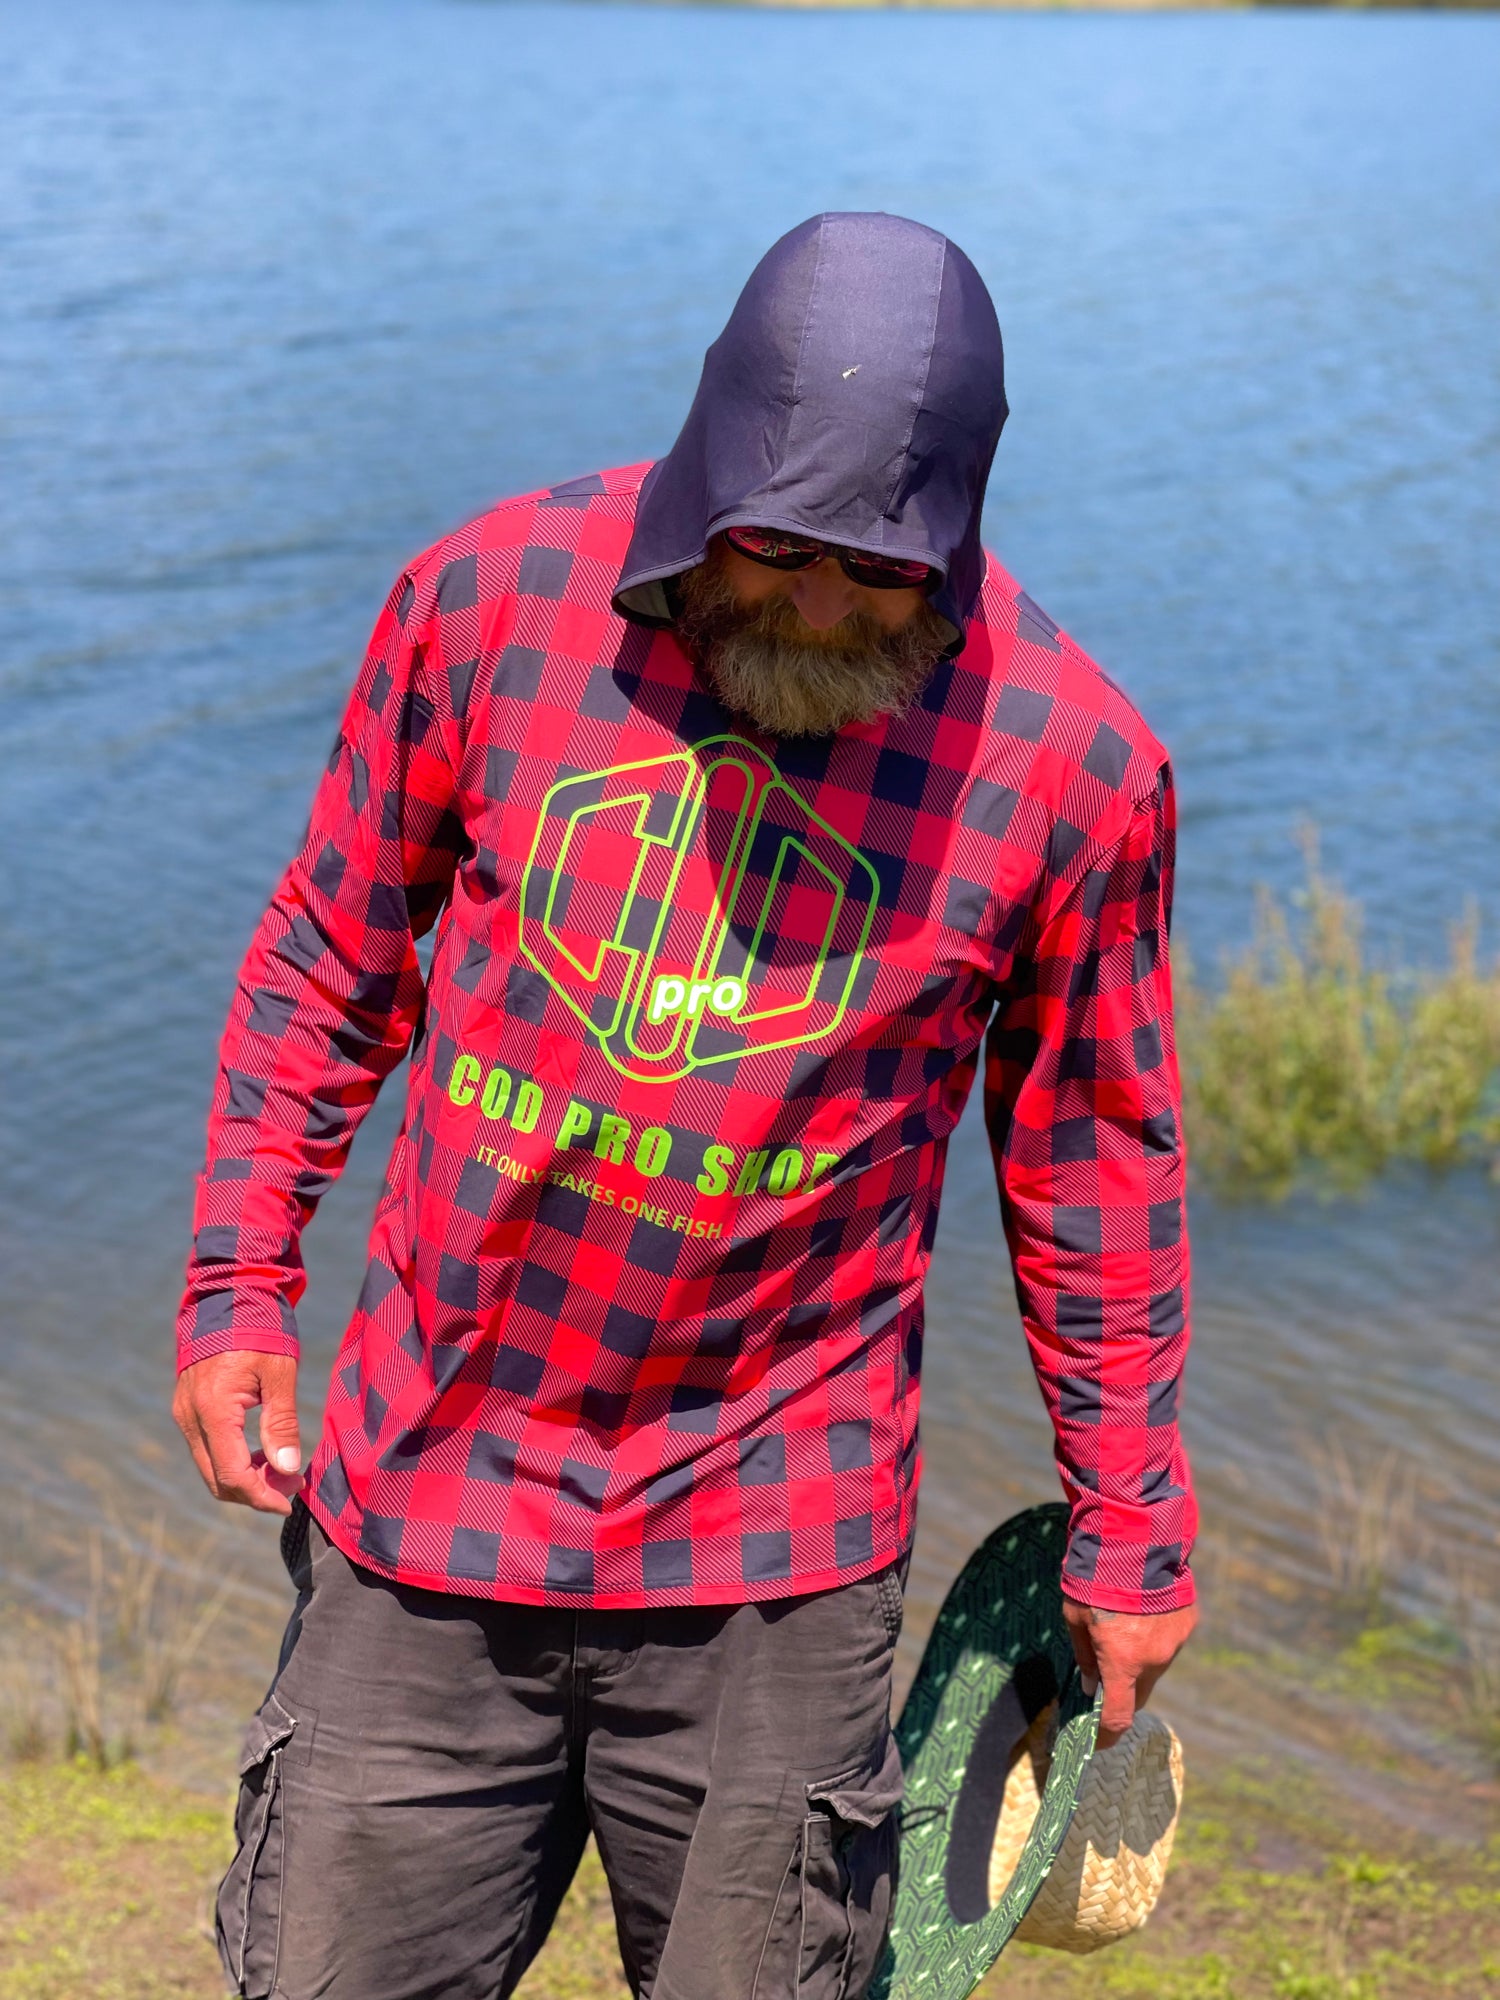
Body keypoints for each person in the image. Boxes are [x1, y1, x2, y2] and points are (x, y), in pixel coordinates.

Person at [174, 212, 1197, 2000]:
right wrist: (239, 1278)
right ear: (707, 467)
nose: (816, 611)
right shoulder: (489, 601)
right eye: (778, 547)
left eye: (876, 576)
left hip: (775, 1569)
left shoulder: (1071, 765)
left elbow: (1092, 1161)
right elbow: (334, 955)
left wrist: (1131, 1515)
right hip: (425, 1505)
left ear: (955, 527)